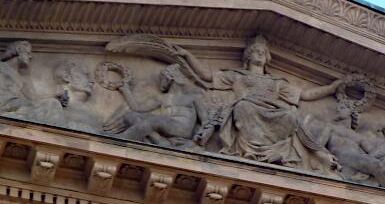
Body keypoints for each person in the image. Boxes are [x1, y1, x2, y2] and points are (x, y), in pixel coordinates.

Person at [187, 35, 337, 173]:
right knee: (243, 106)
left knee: (291, 115)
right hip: (248, 109)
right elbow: (206, 76)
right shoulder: (236, 76)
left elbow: (306, 94)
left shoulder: (277, 82)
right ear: (248, 56)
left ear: (267, 58)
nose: (259, 54)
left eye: (263, 52)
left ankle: (278, 153)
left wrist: (331, 88)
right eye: (255, 51)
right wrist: (187, 55)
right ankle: (250, 151)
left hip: (274, 111)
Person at [104, 65, 209, 147]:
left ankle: (121, 139)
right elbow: (137, 108)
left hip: (183, 129)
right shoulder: (161, 98)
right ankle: (160, 141)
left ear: (170, 78)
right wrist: (126, 91)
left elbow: (205, 121)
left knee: (154, 120)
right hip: (167, 126)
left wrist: (203, 134)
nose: (161, 82)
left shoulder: (192, 98)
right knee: (131, 116)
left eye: (162, 78)